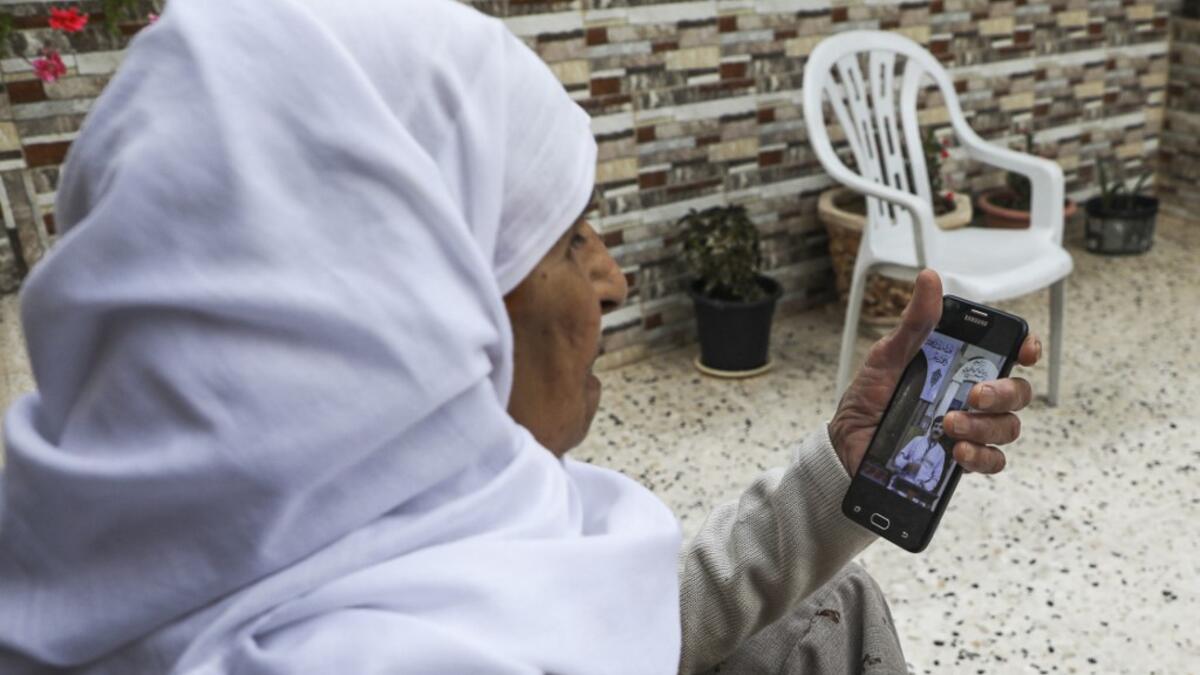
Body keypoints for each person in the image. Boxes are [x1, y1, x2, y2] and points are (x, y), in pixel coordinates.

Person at [0, 1, 1039, 673]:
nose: (613, 281)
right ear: (404, 298)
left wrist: (835, 475)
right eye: (566, 234)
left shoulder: (117, 550)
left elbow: (615, 629)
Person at [889, 416, 949, 494]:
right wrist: (907, 465)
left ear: (943, 432)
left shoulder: (941, 453)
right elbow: (898, 459)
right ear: (931, 427)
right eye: (936, 426)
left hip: (918, 491)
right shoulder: (917, 440)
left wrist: (925, 486)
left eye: (941, 428)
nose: (937, 430)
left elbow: (936, 478)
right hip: (902, 482)